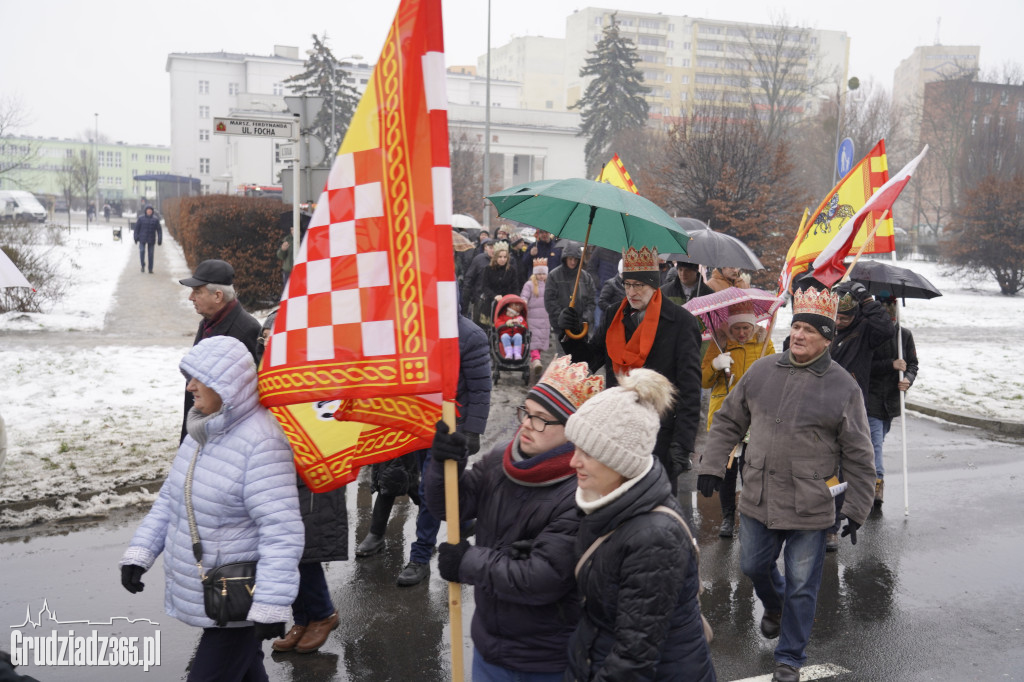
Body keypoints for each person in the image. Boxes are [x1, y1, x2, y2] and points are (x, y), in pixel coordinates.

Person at [696, 287, 876, 682]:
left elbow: (860, 454)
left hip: (811, 506)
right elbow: (728, 420)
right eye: (796, 327)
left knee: (802, 584)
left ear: (827, 339)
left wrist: (856, 507)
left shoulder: (844, 387)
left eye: (810, 331)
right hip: (759, 496)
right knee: (753, 565)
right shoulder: (761, 371)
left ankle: (790, 657)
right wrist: (712, 464)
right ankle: (773, 605)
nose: (798, 335)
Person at [120, 336, 304, 681]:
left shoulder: (263, 442)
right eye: (188, 376)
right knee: (247, 671)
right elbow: (173, 499)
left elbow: (282, 531)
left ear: (227, 384)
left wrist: (271, 603)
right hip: (213, 591)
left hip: (236, 595)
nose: (189, 386)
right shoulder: (201, 431)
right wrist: (140, 552)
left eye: (198, 377)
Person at [427, 356, 604, 680]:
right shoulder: (500, 460)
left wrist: (467, 561)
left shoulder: (579, 492)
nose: (526, 424)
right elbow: (450, 507)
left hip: (543, 659)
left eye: (541, 420)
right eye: (526, 412)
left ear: (573, 431)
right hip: (488, 645)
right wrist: (442, 464)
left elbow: (543, 577)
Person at [565, 368, 716, 681]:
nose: (573, 461)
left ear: (620, 461)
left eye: (588, 452)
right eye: (575, 447)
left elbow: (634, 657)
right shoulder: (603, 498)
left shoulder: (654, 538)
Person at [558, 246, 703, 492]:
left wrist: (682, 445)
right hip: (616, 432)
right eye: (627, 284)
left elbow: (690, 390)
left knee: (653, 512)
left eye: (639, 285)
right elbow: (589, 362)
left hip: (658, 437)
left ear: (654, 285)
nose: (632, 292)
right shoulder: (614, 313)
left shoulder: (681, 322)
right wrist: (570, 335)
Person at [253, 312, 348, 655]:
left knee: (304, 549)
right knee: (287, 549)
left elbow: (327, 419)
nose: (264, 343)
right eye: (263, 337)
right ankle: (303, 617)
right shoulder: (270, 369)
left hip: (312, 469)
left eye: (271, 337)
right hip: (282, 470)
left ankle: (323, 613)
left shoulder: (315, 371)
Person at [393, 311, 492, 587]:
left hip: (449, 430)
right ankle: (461, 519)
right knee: (429, 487)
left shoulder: (471, 335)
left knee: (428, 491)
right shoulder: (410, 328)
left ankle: (420, 557)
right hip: (415, 423)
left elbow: (481, 387)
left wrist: (472, 430)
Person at [821, 280, 894, 548]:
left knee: (839, 471)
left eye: (846, 316)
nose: (839, 321)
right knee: (819, 468)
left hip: (849, 410)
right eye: (836, 315)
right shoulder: (824, 328)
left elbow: (886, 328)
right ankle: (810, 517)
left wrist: (867, 300)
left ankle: (832, 525)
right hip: (817, 406)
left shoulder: (865, 331)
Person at [701, 304, 776, 538]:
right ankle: (726, 517)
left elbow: (777, 377)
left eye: (746, 328)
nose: (742, 333)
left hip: (754, 414)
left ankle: (749, 515)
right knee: (727, 469)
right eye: (737, 328)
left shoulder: (766, 344)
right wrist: (715, 365)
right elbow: (703, 380)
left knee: (750, 468)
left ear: (753, 326)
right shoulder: (719, 343)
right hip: (725, 413)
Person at [178, 259, 263, 442]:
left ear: (217, 296)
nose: (191, 297)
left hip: (226, 435)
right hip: (205, 428)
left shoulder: (245, 330)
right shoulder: (208, 322)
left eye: (197, 291)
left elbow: (250, 393)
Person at [866, 297, 919, 506]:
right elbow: (866, 365)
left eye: (892, 315)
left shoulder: (904, 335)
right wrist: (891, 364)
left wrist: (908, 379)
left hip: (892, 401)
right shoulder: (871, 334)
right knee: (875, 443)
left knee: (876, 443)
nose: (889, 319)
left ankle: (868, 476)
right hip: (871, 398)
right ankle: (877, 483)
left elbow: (913, 364)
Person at [545, 243, 596, 350]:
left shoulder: (586, 278)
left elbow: (591, 302)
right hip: (561, 327)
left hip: (581, 327)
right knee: (562, 359)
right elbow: (550, 301)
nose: (573, 262)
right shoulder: (554, 276)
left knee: (580, 360)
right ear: (565, 258)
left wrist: (584, 318)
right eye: (570, 259)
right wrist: (563, 319)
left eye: (576, 259)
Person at [520, 257, 550, 382]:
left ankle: (536, 361)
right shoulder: (529, 284)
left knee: (541, 341)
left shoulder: (549, 284)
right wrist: (524, 302)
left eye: (543, 273)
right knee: (534, 341)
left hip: (545, 319)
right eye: (539, 273)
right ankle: (536, 361)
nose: (541, 276)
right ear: (535, 273)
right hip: (532, 318)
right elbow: (524, 296)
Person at [479, 242, 520, 324]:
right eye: (500, 257)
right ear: (495, 257)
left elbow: (515, 287)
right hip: (491, 302)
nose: (502, 259)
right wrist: (494, 296)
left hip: (507, 303)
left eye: (505, 257)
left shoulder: (511, 270)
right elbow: (485, 287)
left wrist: (513, 299)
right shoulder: (488, 269)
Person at [133, 205, 162, 274]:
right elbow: (136, 229)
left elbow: (159, 230)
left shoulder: (155, 219)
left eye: (150, 210)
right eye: (148, 210)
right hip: (142, 238)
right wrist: (135, 237)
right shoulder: (141, 218)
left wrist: (160, 239)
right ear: (145, 211)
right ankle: (142, 265)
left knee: (151, 254)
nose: (149, 211)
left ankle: (150, 268)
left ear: (152, 211)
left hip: (151, 239)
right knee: (142, 251)